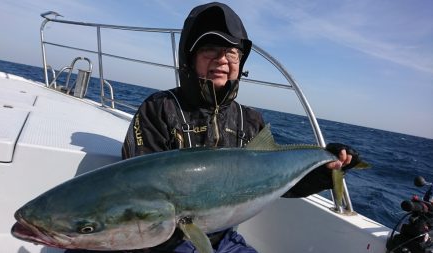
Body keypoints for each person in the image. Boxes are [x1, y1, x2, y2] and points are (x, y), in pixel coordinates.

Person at [67, 2, 359, 253]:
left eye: (231, 52)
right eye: (209, 50)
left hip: (224, 238)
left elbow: (277, 185)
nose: (221, 59)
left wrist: (325, 172)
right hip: (164, 243)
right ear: (191, 59)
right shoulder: (160, 109)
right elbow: (138, 194)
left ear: (239, 62)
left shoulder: (250, 120)